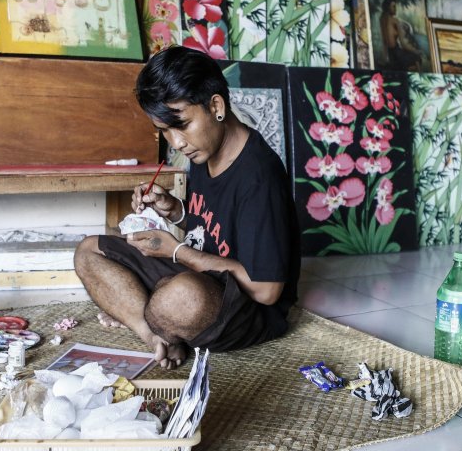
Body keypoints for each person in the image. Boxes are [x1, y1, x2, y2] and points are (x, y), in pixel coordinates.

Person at [73, 46, 300, 369]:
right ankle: (156, 335)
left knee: (182, 298)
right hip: (196, 275)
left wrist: (177, 252)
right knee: (88, 251)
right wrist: (173, 209)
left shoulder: (259, 177)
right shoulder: (205, 149)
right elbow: (212, 226)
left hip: (244, 307)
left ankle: (147, 314)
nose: (176, 142)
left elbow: (266, 291)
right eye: (164, 130)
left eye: (181, 125)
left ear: (216, 106)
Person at [379, 0, 423, 71]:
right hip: (397, 54)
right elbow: (403, 44)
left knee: (407, 61)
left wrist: (385, 58)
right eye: (393, 6)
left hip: (391, 55)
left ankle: (408, 69)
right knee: (417, 57)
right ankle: (419, 76)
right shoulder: (395, 21)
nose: (395, 9)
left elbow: (385, 42)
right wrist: (416, 51)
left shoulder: (382, 19)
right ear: (388, 7)